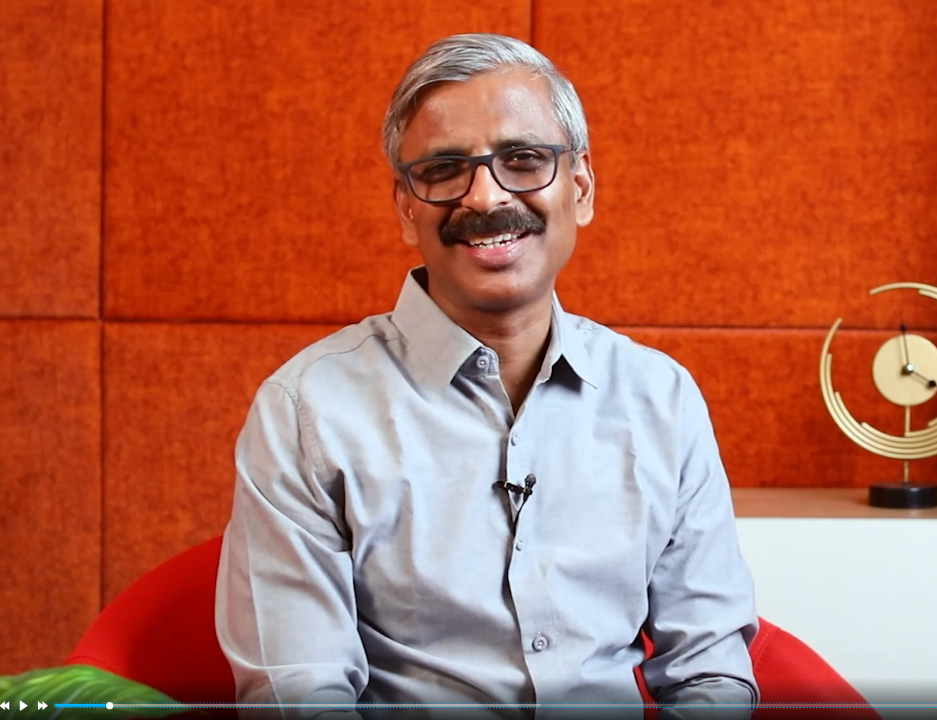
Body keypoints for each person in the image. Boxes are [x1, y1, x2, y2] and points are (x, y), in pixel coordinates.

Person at [214, 32, 759, 720]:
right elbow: (298, 696)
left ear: (580, 189)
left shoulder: (662, 398)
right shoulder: (306, 412)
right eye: (444, 169)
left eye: (523, 159)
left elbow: (710, 672)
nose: (484, 196)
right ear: (406, 207)